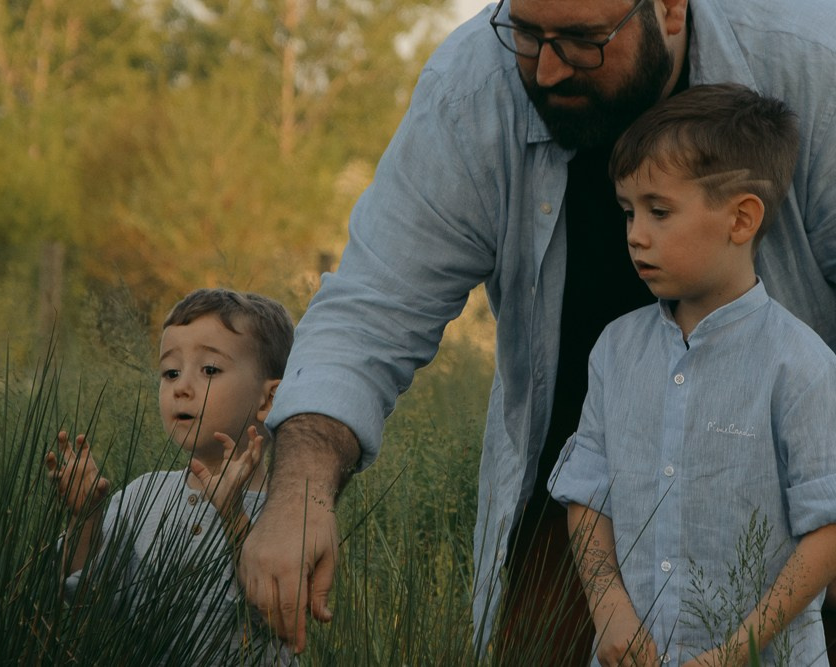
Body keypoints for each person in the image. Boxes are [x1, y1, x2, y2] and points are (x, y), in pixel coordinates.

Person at [236, 0, 836, 657]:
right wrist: (299, 493)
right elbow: (374, 306)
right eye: (525, 33)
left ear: (667, 7)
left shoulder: (812, 63)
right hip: (581, 516)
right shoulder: (473, 89)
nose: (546, 71)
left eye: (582, 40)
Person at [545, 83, 836, 667]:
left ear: (741, 218)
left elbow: (827, 529)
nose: (634, 233)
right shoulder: (615, 350)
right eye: (628, 211)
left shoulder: (800, 364)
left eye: (659, 210)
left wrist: (740, 650)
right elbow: (587, 496)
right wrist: (610, 614)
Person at [45, 288, 295, 666]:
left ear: (268, 400)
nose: (181, 387)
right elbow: (84, 599)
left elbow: (280, 616)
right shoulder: (144, 493)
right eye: (170, 372)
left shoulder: (288, 511)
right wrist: (87, 519)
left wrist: (232, 515)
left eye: (209, 370)